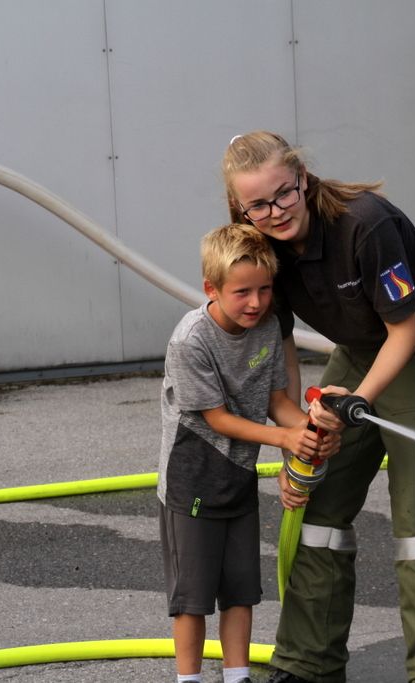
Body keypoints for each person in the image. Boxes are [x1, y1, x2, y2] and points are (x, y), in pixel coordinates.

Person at [221, 131, 415, 683]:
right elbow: (284, 354)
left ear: (302, 179)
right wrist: (299, 438)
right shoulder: (260, 248)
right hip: (361, 351)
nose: (275, 212)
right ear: (240, 208)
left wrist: (358, 402)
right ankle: (308, 665)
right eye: (258, 204)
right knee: (318, 498)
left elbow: (405, 332)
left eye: (284, 194)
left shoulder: (365, 224)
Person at [158, 223, 341, 683]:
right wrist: (285, 440)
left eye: (264, 289)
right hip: (192, 479)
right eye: (242, 292)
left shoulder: (267, 326)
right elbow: (217, 419)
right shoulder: (191, 340)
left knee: (241, 592)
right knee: (193, 599)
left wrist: (311, 426)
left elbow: (277, 402)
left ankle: (237, 677)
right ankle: (189, 680)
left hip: (239, 476)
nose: (256, 303)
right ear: (212, 289)